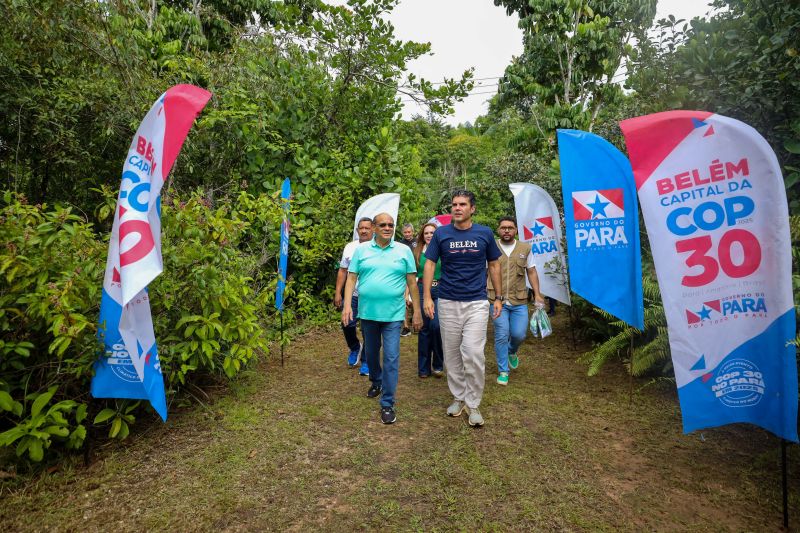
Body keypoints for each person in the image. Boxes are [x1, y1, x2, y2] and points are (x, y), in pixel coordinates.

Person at [422, 190, 502, 427]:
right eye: (454, 204)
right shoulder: (441, 234)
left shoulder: (484, 233)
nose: (457, 208)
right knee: (453, 353)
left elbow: (494, 265)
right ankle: (458, 397)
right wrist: (427, 297)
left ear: (472, 208)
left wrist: (498, 297)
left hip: (476, 302)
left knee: (473, 353)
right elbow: (429, 264)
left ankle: (474, 403)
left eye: (462, 204)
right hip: (447, 301)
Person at [343, 213, 422, 425]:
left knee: (391, 357)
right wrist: (347, 305)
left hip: (393, 315)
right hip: (368, 314)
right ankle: (376, 381)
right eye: (383, 225)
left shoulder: (404, 251)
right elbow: (351, 278)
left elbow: (412, 283)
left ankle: (387, 403)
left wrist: (416, 311)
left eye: (391, 224)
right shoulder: (362, 250)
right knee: (371, 352)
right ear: (375, 228)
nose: (388, 227)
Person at [488, 216, 545, 386]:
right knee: (501, 334)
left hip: (519, 300)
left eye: (510, 228)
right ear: (498, 230)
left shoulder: (525, 248)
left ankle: (511, 351)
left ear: (516, 230)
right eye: (503, 227)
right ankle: (503, 371)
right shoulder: (491, 247)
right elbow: (484, 271)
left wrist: (538, 294)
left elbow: (532, 272)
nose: (507, 230)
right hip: (496, 300)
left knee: (519, 334)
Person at [334, 217, 373, 376]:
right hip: (353, 295)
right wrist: (338, 292)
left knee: (368, 329)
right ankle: (355, 347)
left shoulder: (377, 247)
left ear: (373, 229)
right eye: (361, 228)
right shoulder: (350, 247)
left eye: (367, 228)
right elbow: (343, 270)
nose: (363, 231)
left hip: (371, 297)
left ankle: (366, 361)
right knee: (347, 324)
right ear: (357, 230)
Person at [413, 223, 443, 378]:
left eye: (432, 232)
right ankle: (423, 368)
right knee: (424, 328)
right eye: (426, 233)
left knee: (436, 326)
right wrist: (408, 294)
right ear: (422, 235)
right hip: (421, 289)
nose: (429, 235)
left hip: (440, 290)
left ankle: (438, 364)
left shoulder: (443, 249)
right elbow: (411, 275)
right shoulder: (417, 252)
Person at [399, 222, 416, 336]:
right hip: (404, 274)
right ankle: (406, 327)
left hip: (417, 273)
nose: (407, 234)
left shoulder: (418, 242)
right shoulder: (400, 244)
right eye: (405, 232)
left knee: (415, 299)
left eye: (409, 232)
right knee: (404, 300)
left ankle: (417, 323)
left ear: (413, 232)